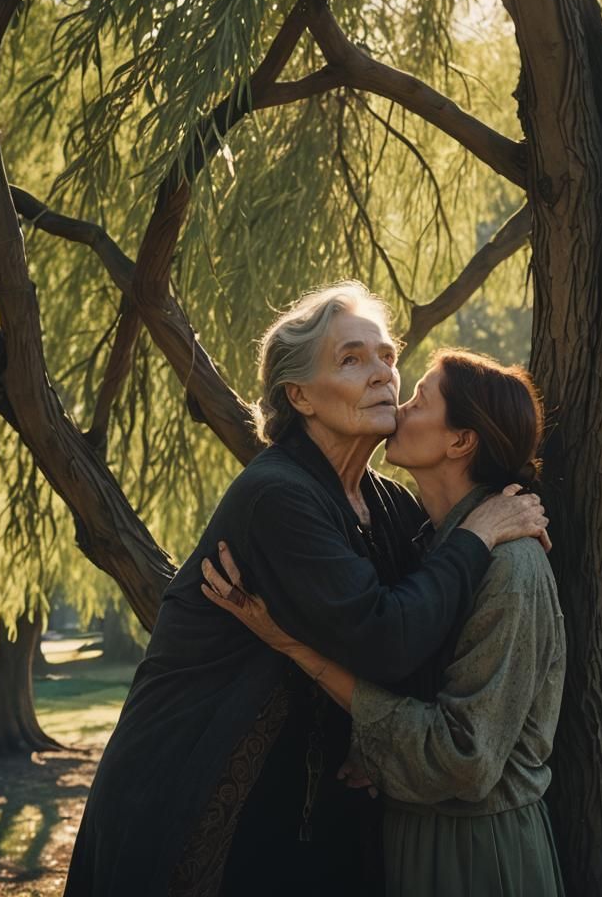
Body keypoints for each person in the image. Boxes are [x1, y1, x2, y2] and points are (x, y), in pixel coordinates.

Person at [63, 283, 549, 897]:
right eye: (352, 360)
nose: (383, 375)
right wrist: (477, 535)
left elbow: (433, 633)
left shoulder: (386, 502)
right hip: (200, 787)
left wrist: (503, 514)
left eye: (388, 357)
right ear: (299, 396)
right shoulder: (277, 497)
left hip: (309, 808)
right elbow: (387, 640)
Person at [203, 348, 566, 896]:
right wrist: (378, 749)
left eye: (419, 400)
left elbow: (464, 760)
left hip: (475, 854)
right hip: (414, 836)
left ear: (459, 441)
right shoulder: (427, 540)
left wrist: (295, 646)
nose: (399, 405)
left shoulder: (511, 566)